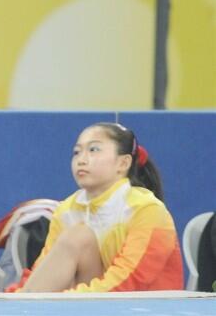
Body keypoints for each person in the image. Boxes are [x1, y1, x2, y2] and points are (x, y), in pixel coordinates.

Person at [12, 122, 183, 292]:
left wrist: (64, 300)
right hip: (91, 304)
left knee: (78, 236)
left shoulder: (147, 210)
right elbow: (43, 272)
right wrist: (14, 298)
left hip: (144, 307)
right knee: (78, 237)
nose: (82, 159)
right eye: (77, 152)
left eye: (93, 150)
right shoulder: (66, 210)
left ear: (123, 163)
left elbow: (128, 283)